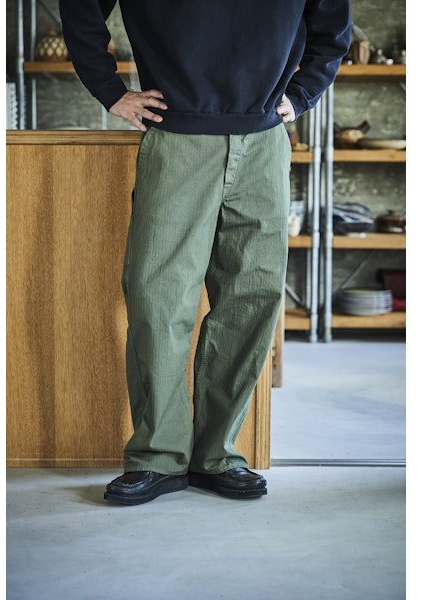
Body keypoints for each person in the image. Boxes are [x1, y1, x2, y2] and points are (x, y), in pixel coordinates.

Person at [59, 0, 351, 505]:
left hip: (264, 141)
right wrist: (110, 91)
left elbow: (333, 28)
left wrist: (303, 92)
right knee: (158, 301)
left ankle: (218, 455)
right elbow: (80, 6)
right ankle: (157, 457)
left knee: (251, 300)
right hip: (177, 138)